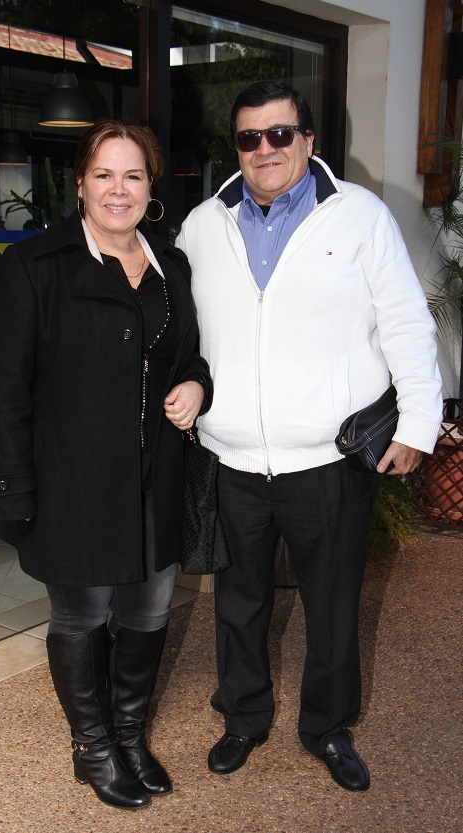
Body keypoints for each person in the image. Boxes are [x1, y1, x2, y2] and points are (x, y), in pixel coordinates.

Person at [175, 81, 442, 792]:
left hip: (329, 458)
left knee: (331, 605)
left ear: (307, 140)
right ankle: (242, 716)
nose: (264, 149)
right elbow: (179, 326)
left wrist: (419, 423)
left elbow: (406, 321)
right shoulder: (203, 224)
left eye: (279, 134)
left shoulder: (359, 216)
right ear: (236, 147)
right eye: (248, 137)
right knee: (237, 603)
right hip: (231, 456)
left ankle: (327, 727)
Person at [0, 119, 212, 811]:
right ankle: (92, 747)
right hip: (72, 482)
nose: (119, 189)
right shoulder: (36, 265)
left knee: (148, 607)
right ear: (79, 183)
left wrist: (196, 384)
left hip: (156, 475)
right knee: (82, 614)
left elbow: (191, 355)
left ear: (151, 185)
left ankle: (129, 736)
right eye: (104, 174)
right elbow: (5, 393)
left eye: (133, 174)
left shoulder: (171, 265)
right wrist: (14, 492)